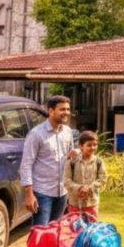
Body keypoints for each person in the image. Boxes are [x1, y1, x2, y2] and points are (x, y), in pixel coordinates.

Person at [20, 95, 74, 226]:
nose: (66, 112)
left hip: (62, 192)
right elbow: (26, 164)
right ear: (51, 111)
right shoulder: (36, 134)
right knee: (40, 233)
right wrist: (29, 194)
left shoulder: (67, 132)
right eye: (62, 109)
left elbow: (69, 159)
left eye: (68, 109)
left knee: (55, 231)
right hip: (42, 193)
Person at [64, 131, 108, 218]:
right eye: (89, 145)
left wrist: (89, 188)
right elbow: (66, 181)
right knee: (75, 229)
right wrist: (79, 188)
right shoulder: (72, 162)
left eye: (95, 145)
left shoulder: (99, 162)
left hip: (92, 203)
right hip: (74, 203)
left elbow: (103, 178)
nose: (92, 147)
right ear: (80, 146)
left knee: (91, 229)